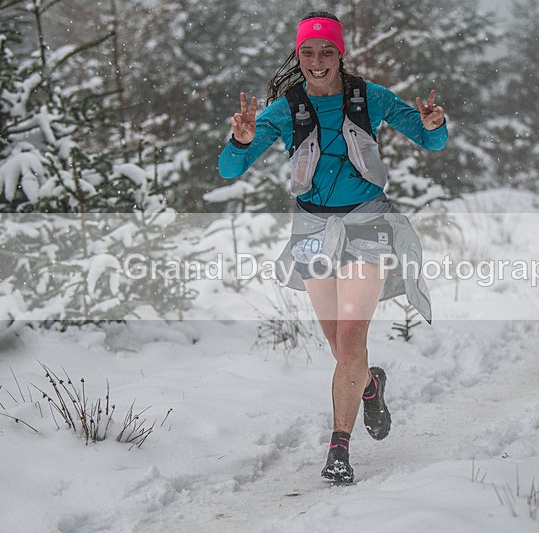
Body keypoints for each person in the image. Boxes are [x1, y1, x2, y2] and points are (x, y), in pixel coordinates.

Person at [218, 11, 447, 483]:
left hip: (368, 224)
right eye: (308, 52)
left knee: (349, 340)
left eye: (327, 51)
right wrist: (239, 141)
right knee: (339, 348)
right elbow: (229, 169)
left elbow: (430, 140)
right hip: (311, 232)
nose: (317, 60)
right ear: (297, 55)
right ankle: (370, 386)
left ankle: (339, 449)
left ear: (340, 54)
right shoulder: (286, 109)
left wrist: (434, 125)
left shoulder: (368, 97)